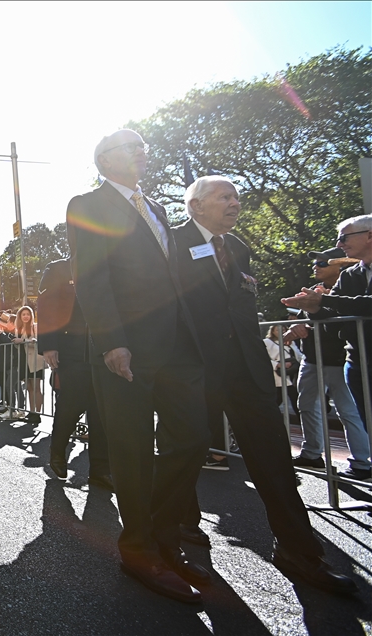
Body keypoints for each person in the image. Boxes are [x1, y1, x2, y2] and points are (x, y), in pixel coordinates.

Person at [172, 176, 357, 595]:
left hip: (248, 373)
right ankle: (179, 527)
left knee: (274, 460)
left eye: (237, 196)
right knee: (186, 452)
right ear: (197, 206)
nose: (235, 203)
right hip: (194, 371)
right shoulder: (170, 243)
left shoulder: (238, 247)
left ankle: (298, 552)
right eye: (224, 197)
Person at [66, 129, 209, 604]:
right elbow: (91, 275)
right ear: (105, 159)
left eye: (145, 145)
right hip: (125, 347)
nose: (143, 152)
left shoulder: (161, 209)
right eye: (133, 146)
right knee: (131, 450)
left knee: (191, 439)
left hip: (177, 345)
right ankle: (139, 551)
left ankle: (164, 539)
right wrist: (111, 341)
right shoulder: (87, 204)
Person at [282, 214, 372, 482]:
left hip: (342, 361)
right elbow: (332, 322)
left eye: (344, 237)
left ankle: (360, 462)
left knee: (349, 413)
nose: (340, 243)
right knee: (366, 420)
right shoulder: (351, 276)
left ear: (369, 235)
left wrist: (328, 301)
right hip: (356, 361)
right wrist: (313, 310)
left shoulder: (341, 284)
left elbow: (357, 305)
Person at [37, 259, 112, 490]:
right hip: (72, 351)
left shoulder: (108, 265)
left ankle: (101, 471)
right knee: (70, 406)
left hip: (103, 349)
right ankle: (58, 453)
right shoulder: (59, 268)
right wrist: (49, 344)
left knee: (101, 412)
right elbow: (46, 305)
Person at [11, 306, 45, 424]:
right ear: (20, 316)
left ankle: (38, 413)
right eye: (23, 314)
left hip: (35, 360)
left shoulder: (35, 327)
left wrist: (23, 341)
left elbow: (36, 342)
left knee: (36, 387)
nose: (26, 316)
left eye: (28, 314)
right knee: (29, 387)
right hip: (24, 360)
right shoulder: (18, 329)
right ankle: (31, 412)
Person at [264, 325, 302, 417]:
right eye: (278, 330)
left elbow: (298, 355)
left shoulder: (290, 342)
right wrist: (278, 364)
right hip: (278, 376)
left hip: (292, 375)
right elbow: (262, 358)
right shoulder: (267, 342)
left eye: (283, 329)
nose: (281, 332)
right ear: (272, 331)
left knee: (296, 400)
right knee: (278, 400)